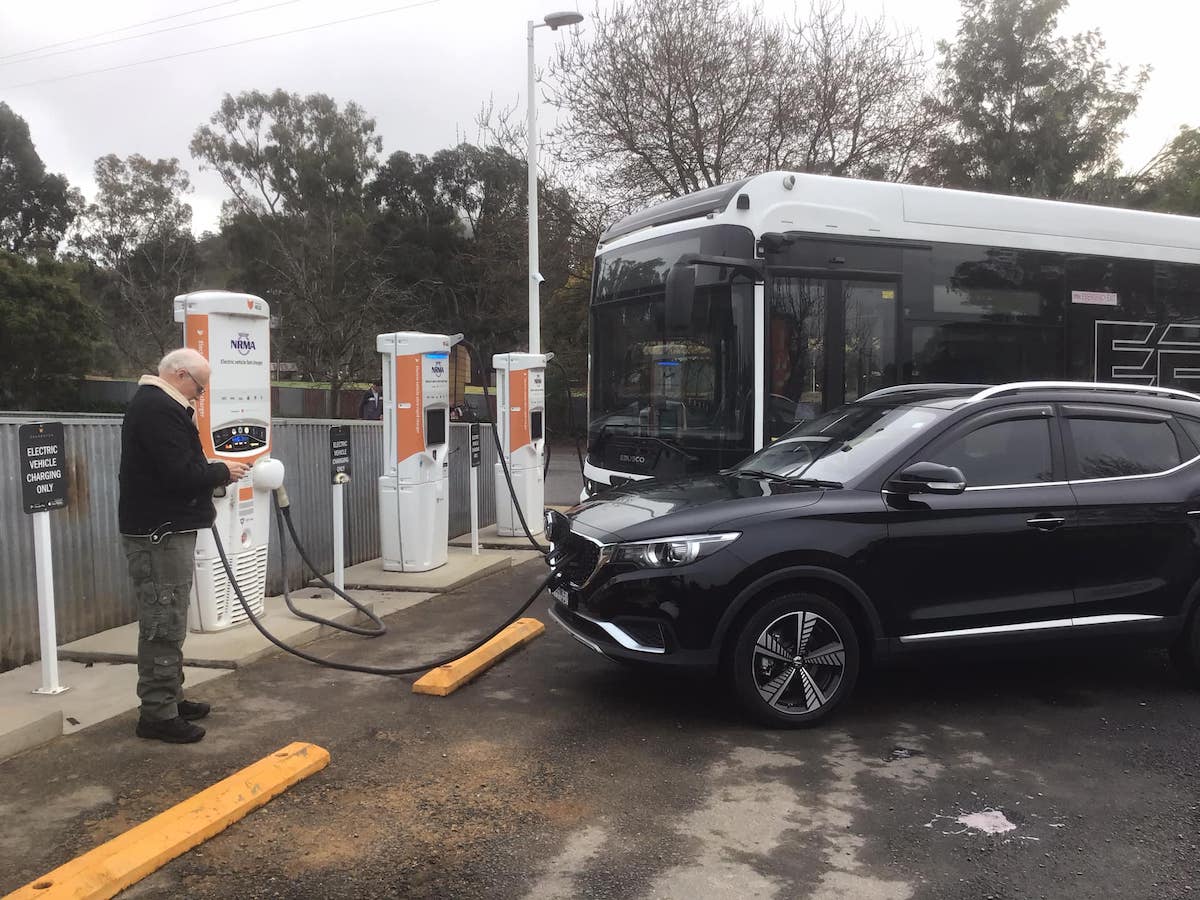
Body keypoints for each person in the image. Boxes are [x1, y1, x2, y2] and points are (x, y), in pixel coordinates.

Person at [119, 348, 250, 743]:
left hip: (165, 530)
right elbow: (178, 474)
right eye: (199, 386)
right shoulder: (158, 409)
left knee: (171, 618)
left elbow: (174, 469)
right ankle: (157, 714)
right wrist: (221, 470)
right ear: (180, 374)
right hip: (159, 534)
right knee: (163, 622)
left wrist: (212, 474)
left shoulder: (159, 405)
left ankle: (170, 697)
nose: (201, 395)